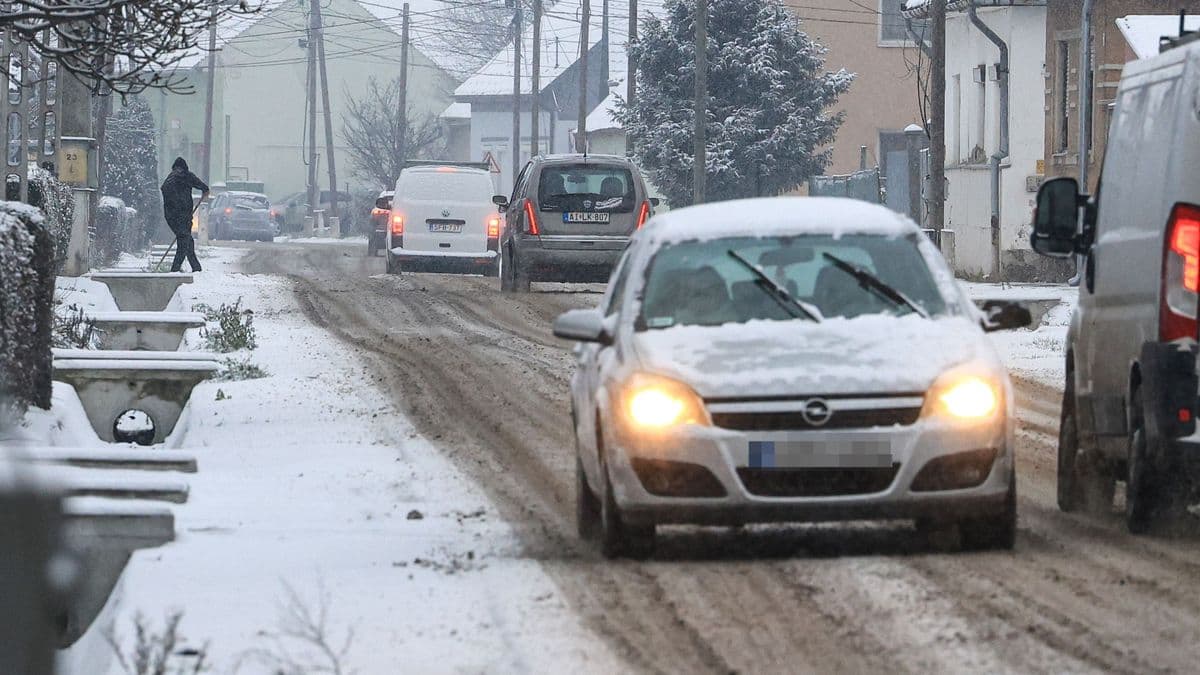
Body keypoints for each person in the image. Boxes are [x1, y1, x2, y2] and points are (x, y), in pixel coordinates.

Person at [160, 157, 209, 272]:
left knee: (187, 240)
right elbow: (203, 187)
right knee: (184, 241)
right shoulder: (187, 175)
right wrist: (205, 191)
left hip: (171, 216)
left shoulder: (169, 179)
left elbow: (164, 191)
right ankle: (175, 270)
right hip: (183, 215)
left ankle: (196, 268)